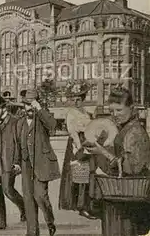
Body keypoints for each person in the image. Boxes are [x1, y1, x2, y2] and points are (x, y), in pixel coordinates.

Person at [83, 87, 150, 236]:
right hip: (120, 195)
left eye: (119, 110)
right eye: (112, 111)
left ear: (131, 108)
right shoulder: (124, 128)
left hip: (129, 201)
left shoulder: (136, 131)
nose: (115, 115)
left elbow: (132, 167)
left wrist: (103, 152)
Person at [14, 90, 59, 236]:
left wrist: (39, 109)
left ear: (37, 104)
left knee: (40, 196)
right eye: (27, 104)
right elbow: (17, 143)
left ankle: (50, 221)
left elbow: (53, 125)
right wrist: (16, 162)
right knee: (28, 198)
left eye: (32, 104)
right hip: (26, 164)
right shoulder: (20, 121)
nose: (29, 108)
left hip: (41, 162)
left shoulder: (43, 117)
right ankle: (32, 232)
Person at [0, 96, 25, 232]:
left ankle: (24, 207)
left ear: (4, 108)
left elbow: (20, 143)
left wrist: (17, 162)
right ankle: (0, 222)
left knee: (8, 190)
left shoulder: (15, 122)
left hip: (8, 163)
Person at [58, 83, 98, 219]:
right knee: (81, 174)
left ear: (83, 98)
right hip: (78, 143)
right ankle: (81, 206)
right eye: (74, 99)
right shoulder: (71, 113)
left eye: (79, 99)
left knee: (89, 174)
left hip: (88, 141)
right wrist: (79, 147)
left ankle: (87, 204)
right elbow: (72, 132)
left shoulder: (86, 112)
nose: (76, 102)